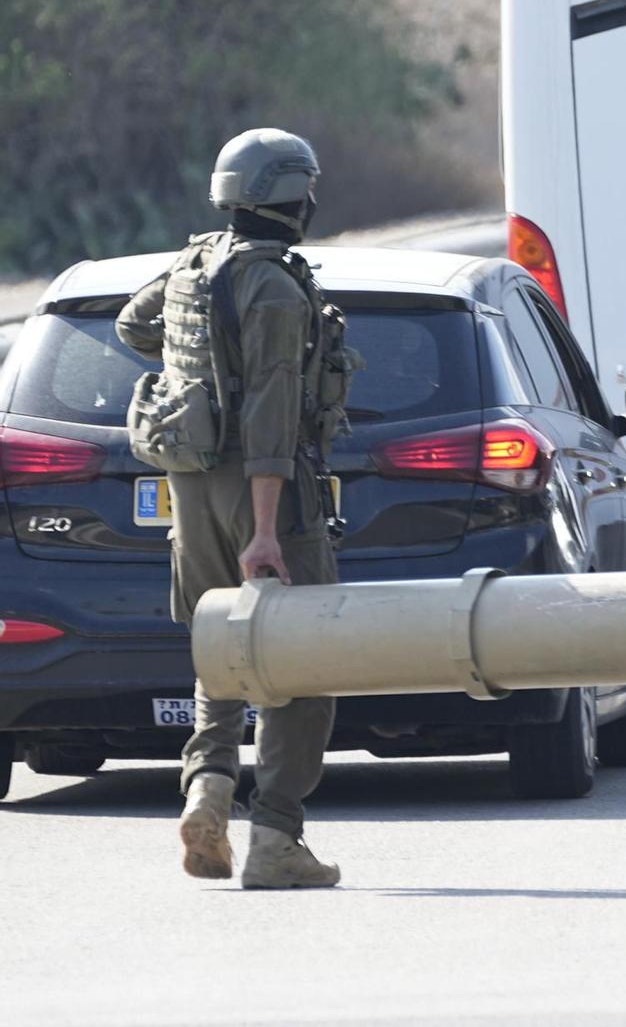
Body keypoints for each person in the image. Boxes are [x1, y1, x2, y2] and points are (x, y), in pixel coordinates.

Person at [118, 128, 358, 890]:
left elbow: (132, 324)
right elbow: (272, 421)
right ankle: (277, 837)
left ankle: (208, 789)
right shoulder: (275, 289)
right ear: (292, 195)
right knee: (305, 660)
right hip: (264, 498)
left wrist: (198, 374)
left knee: (218, 645)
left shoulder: (194, 263)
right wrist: (263, 531)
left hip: (189, 489)